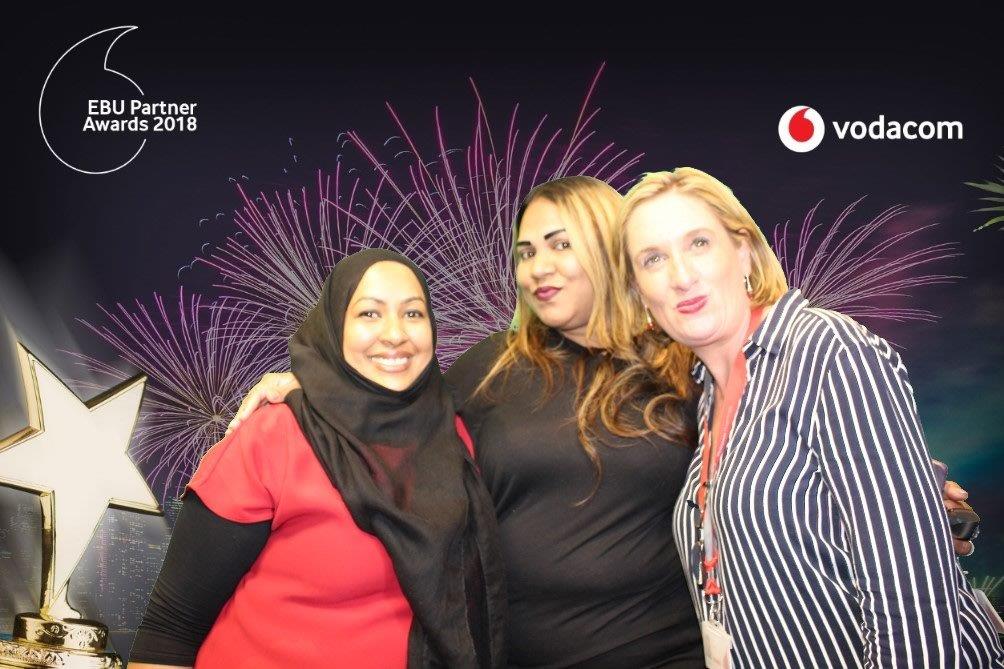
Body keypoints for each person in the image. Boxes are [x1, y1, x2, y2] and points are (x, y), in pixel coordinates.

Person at [227, 177, 980, 667]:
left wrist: (928, 502)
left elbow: (814, 461)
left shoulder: (686, 359)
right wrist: (309, 386)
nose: (538, 266)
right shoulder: (488, 366)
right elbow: (391, 417)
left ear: (610, 252)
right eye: (526, 251)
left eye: (562, 244)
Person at [617, 167, 1004, 667]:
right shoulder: (709, 395)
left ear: (744, 251)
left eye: (699, 243)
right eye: (653, 258)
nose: (680, 275)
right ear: (639, 292)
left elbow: (912, 602)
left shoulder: (828, 352)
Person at [128, 249, 507, 669]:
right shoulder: (276, 435)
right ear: (334, 327)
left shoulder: (457, 439)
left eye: (413, 314)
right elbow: (171, 627)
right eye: (369, 313)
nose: (395, 333)